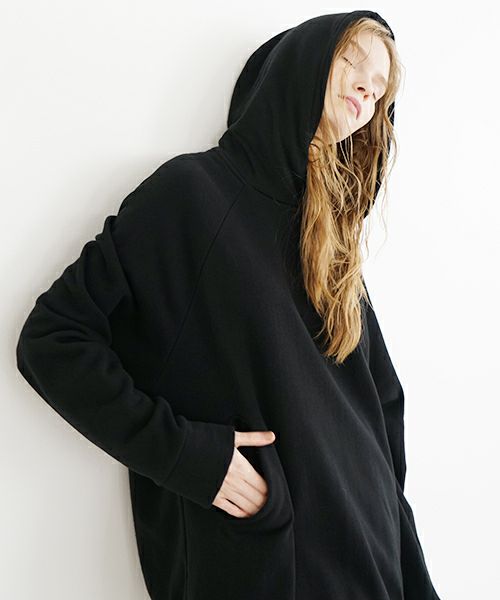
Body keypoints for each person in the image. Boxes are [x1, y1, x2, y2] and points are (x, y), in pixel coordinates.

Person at [15, 10, 442, 600]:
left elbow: (381, 407)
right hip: (272, 563)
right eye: (352, 61)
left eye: (380, 88)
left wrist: (399, 543)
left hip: (374, 563)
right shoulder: (191, 196)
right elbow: (51, 342)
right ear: (303, 63)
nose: (368, 90)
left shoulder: (331, 243)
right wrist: (190, 458)